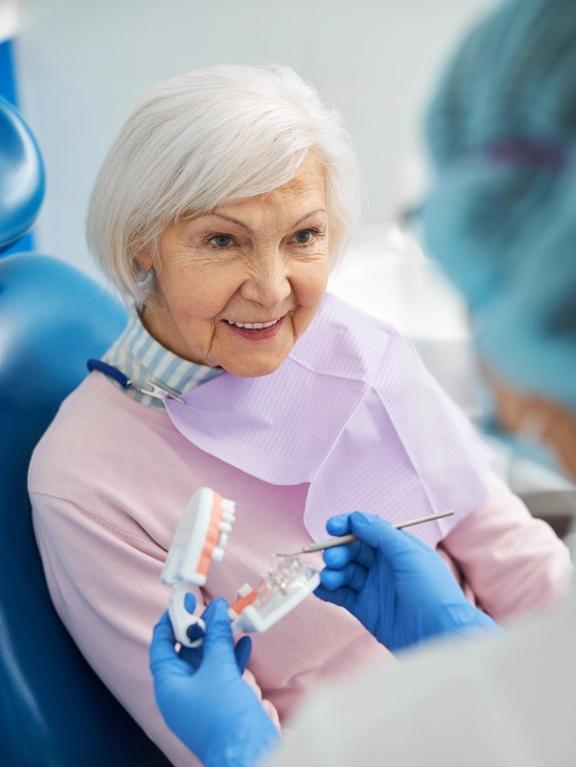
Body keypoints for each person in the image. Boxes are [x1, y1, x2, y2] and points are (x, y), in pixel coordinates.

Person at [30, 63, 570, 767]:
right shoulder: (86, 481)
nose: (273, 287)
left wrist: (496, 657)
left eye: (303, 237)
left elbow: (516, 557)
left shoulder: (351, 344)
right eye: (222, 240)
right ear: (142, 244)